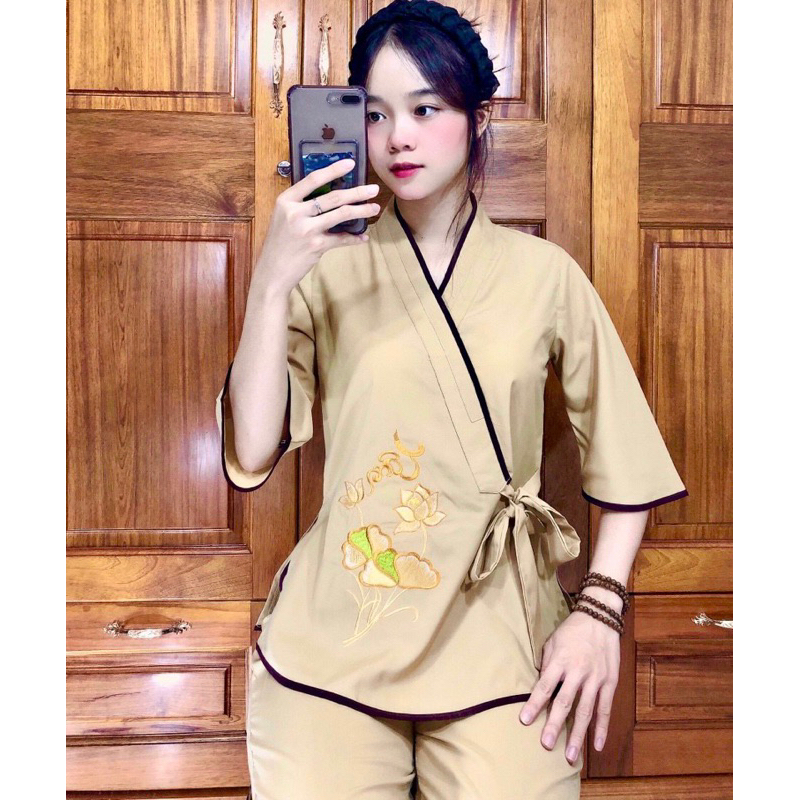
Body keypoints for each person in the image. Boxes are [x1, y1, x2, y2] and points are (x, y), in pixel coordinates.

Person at [215, 1, 688, 797]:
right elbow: (254, 447)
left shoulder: (545, 274)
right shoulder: (322, 270)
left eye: (426, 109)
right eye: (375, 114)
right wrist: (271, 280)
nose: (397, 137)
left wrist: (599, 613)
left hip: (501, 638)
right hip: (338, 638)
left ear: (477, 120)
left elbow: (626, 455)